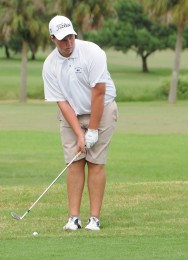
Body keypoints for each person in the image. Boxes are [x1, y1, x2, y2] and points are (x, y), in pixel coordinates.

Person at [42, 15, 118, 231]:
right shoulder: (49, 65)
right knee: (74, 163)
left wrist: (92, 130)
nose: (69, 43)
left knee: (95, 162)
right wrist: (78, 134)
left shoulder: (92, 52)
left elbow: (99, 93)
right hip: (71, 114)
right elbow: (61, 102)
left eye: (71, 37)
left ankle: (94, 219)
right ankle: (73, 218)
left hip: (102, 109)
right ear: (53, 39)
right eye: (63, 39)